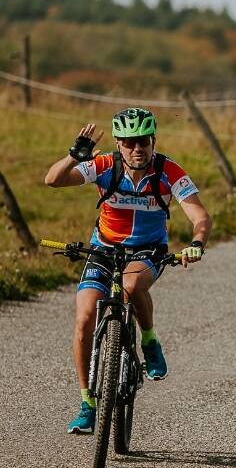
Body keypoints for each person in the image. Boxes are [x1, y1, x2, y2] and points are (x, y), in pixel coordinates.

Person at [44, 107, 212, 434]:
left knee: (133, 285)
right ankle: (87, 404)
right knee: (84, 319)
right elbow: (53, 181)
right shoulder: (106, 165)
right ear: (119, 144)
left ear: (153, 140)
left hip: (148, 250)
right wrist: (74, 156)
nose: (138, 149)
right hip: (105, 248)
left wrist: (197, 241)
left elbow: (200, 216)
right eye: (130, 142)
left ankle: (149, 340)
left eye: (144, 142)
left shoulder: (169, 171)